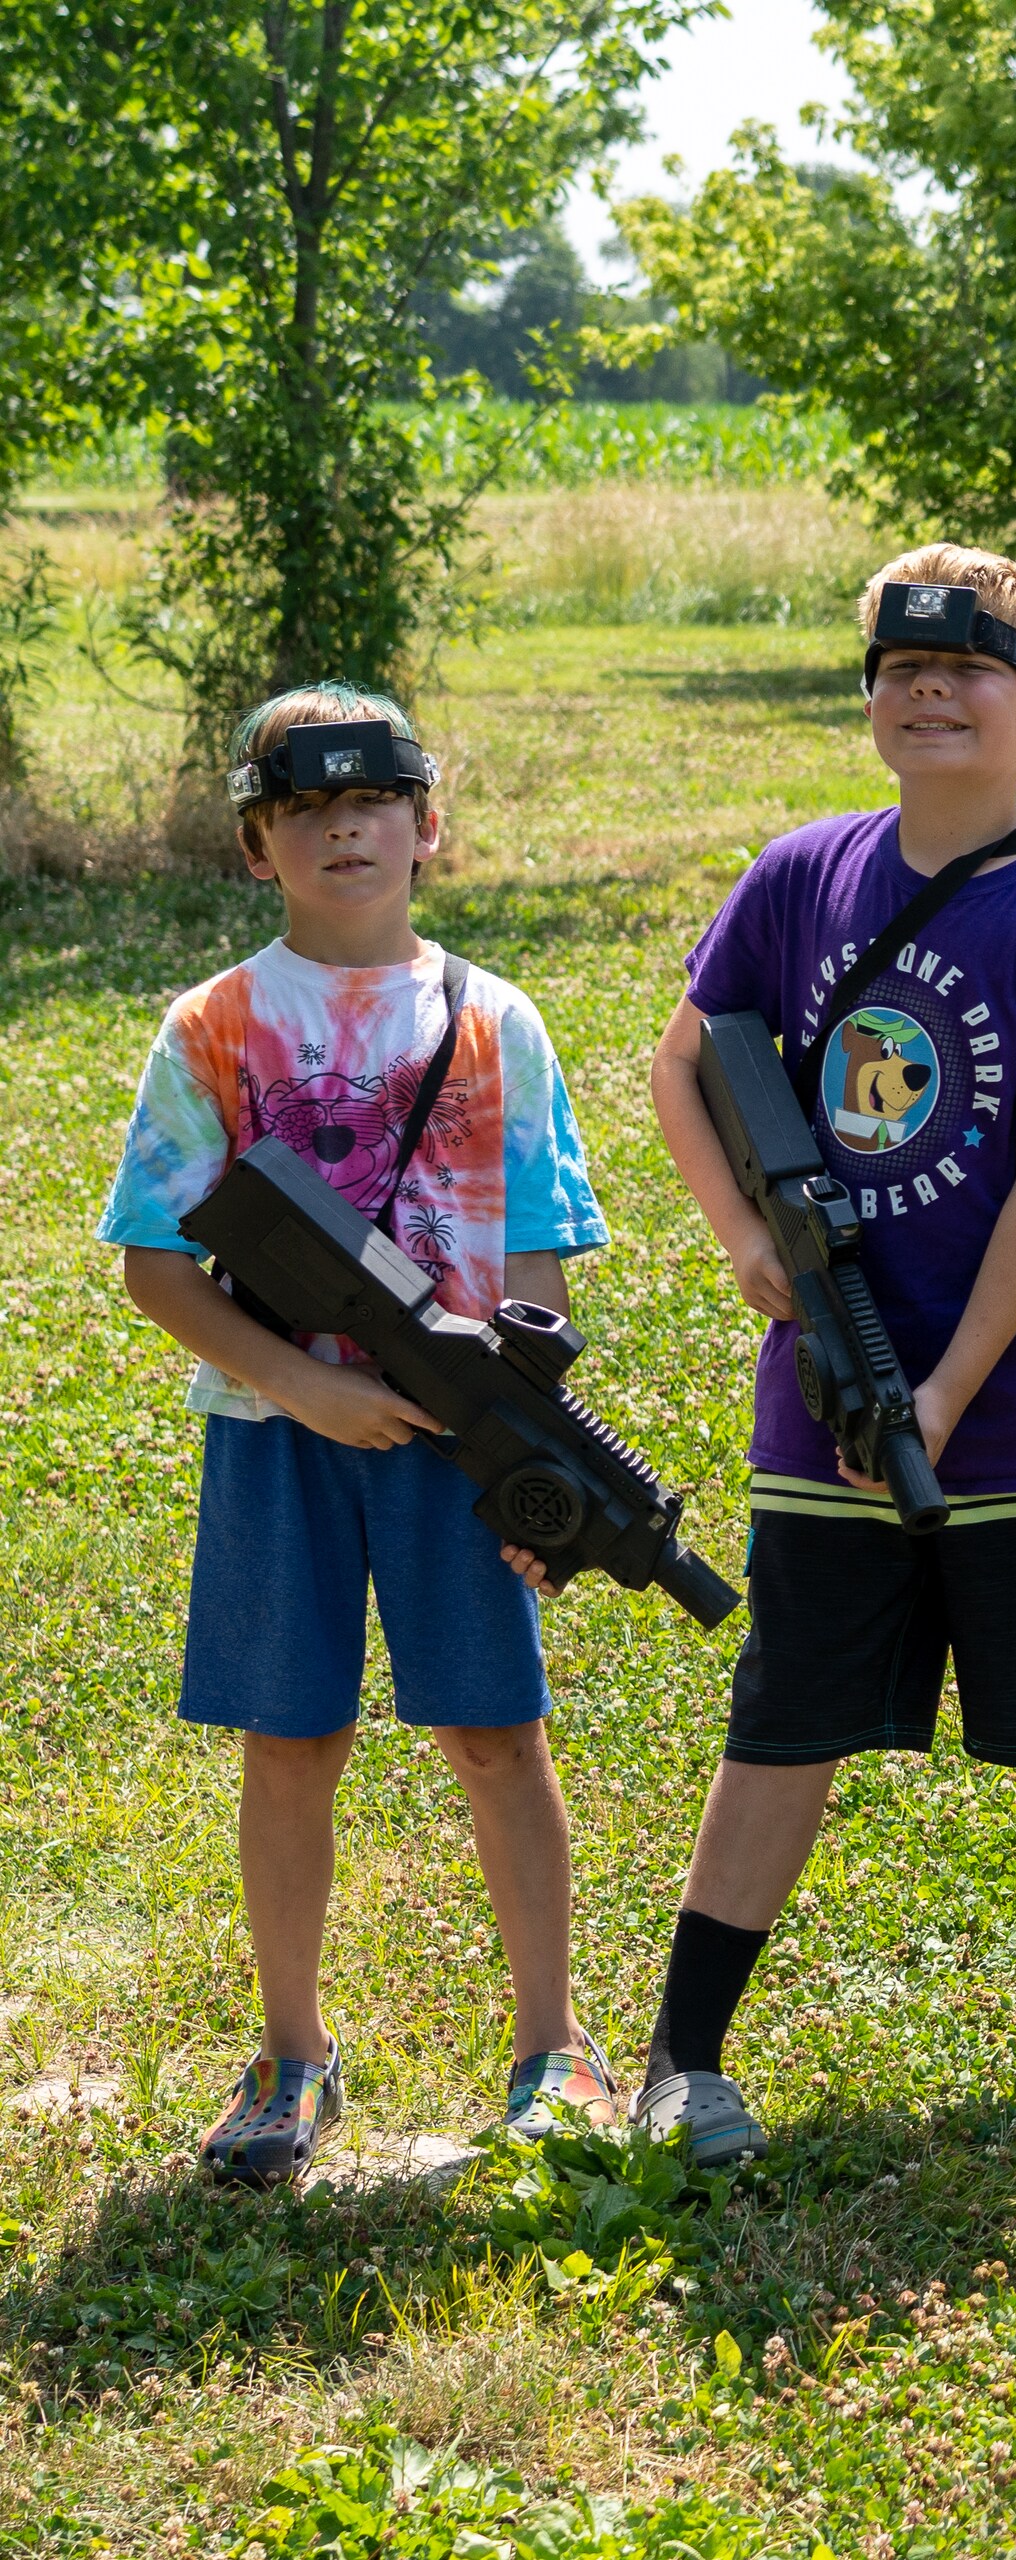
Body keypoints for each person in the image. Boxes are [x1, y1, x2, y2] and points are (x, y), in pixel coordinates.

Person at [632, 545, 1016, 2168]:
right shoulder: (798, 877)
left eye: (972, 670)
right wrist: (744, 1243)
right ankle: (682, 2057)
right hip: (827, 1384)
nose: (931, 689)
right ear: (870, 702)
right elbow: (689, 1063)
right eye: (902, 667)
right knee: (789, 1710)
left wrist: (952, 1389)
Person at [98, 685, 621, 2180]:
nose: (346, 829)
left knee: (497, 1738)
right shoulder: (212, 1025)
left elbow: (535, 1262)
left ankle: (552, 2044)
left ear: (427, 828)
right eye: (307, 812)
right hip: (276, 1440)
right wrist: (305, 1383)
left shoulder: (496, 1019)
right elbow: (154, 1264)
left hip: (461, 1448)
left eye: (374, 804)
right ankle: (290, 2053)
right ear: (260, 846)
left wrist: (535, 1457)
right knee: (290, 1743)